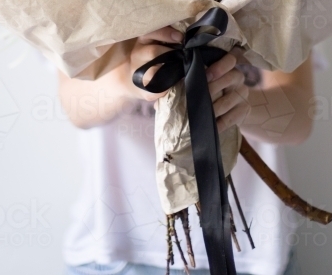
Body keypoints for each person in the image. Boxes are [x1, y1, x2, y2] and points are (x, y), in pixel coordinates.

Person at [58, 24, 315, 275]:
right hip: (116, 250)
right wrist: (129, 78)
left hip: (254, 254)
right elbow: (75, 107)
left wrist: (240, 103)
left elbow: (300, 119)